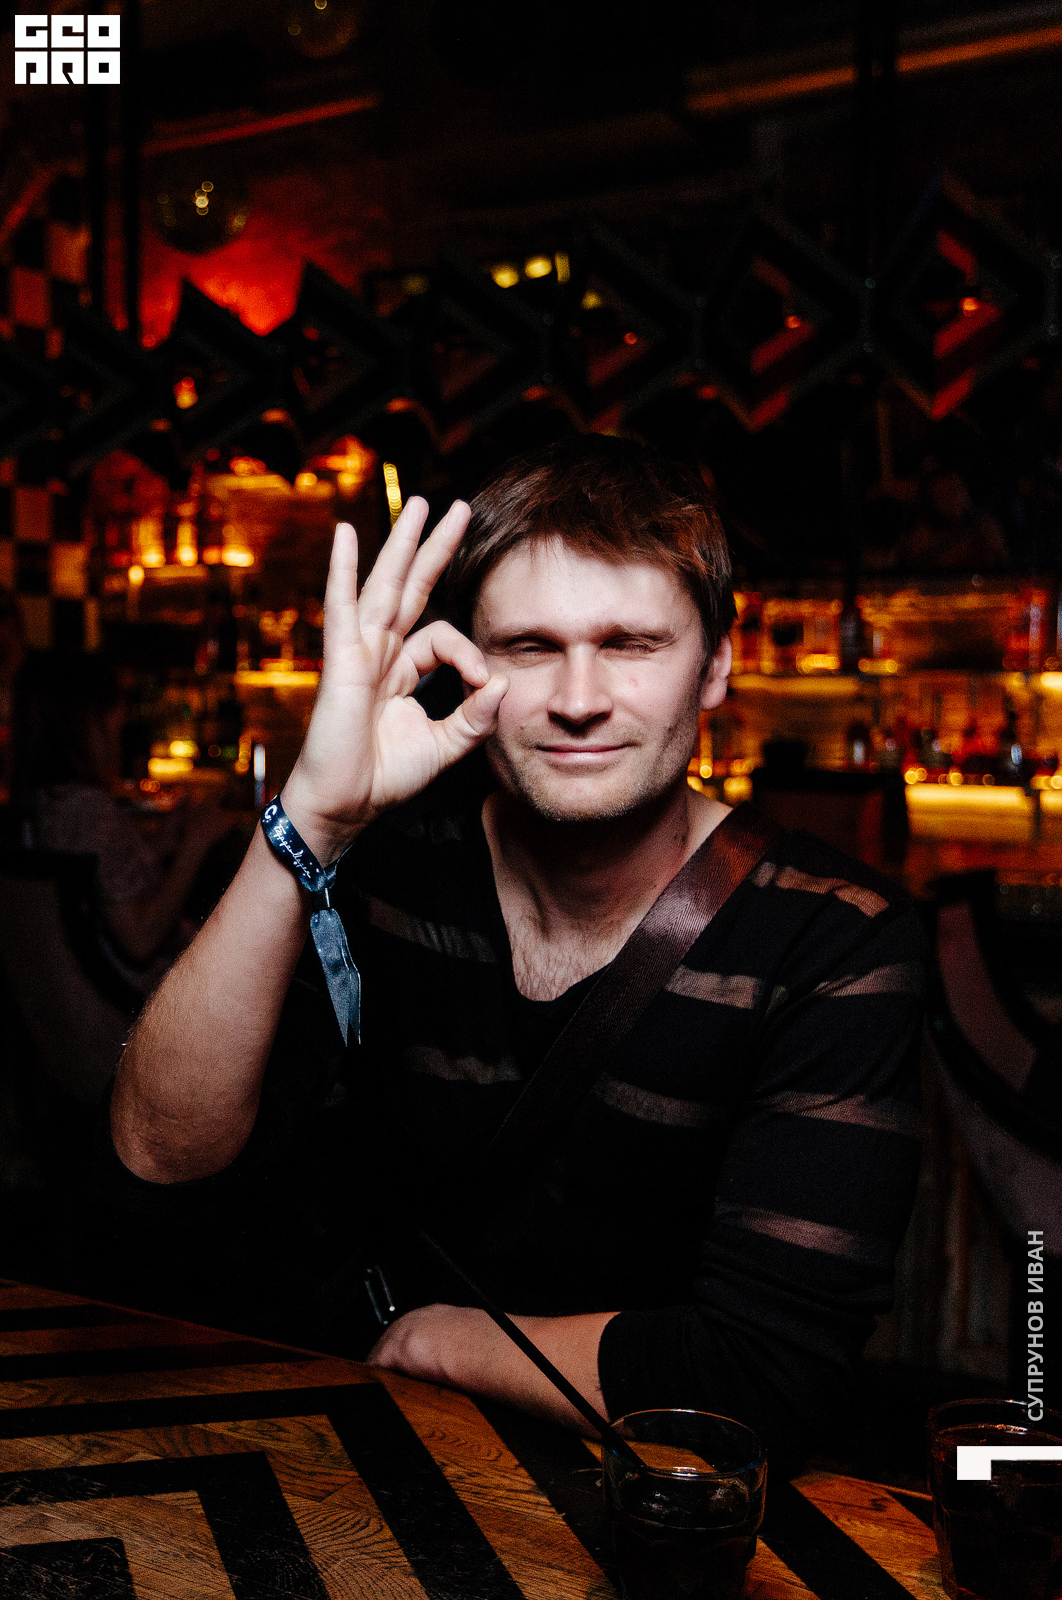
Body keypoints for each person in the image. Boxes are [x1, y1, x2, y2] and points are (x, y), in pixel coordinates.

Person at [108, 436, 925, 1464]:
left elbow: (766, 1377)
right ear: (467, 664)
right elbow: (162, 1152)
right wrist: (310, 819)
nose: (578, 698)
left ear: (715, 663)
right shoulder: (393, 865)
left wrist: (439, 1341)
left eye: (630, 644)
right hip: (370, 1460)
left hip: (663, 1501)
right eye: (530, 646)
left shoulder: (834, 939)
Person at [13, 651, 236, 988]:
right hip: (146, 1003)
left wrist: (160, 845)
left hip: (81, 997)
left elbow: (102, 881)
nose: (120, 718)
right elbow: (139, 939)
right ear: (75, 723)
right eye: (107, 707)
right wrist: (196, 843)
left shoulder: (46, 802)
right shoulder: (90, 810)